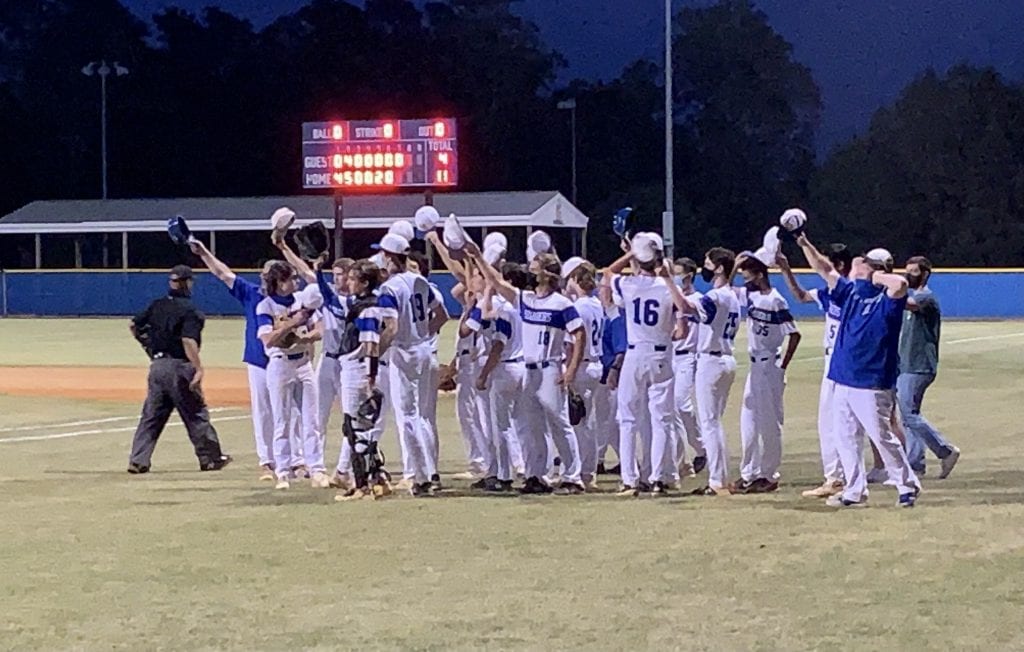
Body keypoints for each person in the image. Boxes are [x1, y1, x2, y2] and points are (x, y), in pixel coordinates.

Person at [796, 236, 921, 508]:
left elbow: (900, 283)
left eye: (862, 265)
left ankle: (907, 485)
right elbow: (823, 268)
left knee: (881, 435)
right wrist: (802, 241)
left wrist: (875, 275)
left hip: (872, 380)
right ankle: (855, 491)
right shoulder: (850, 292)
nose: (855, 268)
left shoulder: (888, 297)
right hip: (842, 376)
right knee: (845, 437)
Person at [470, 245, 587, 495]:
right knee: (533, 426)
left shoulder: (561, 303)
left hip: (550, 368)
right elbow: (496, 281)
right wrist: (478, 256)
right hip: (529, 370)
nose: (530, 270)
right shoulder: (527, 299)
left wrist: (571, 369)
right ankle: (537, 475)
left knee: (560, 423)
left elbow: (579, 334)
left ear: (546, 273)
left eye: (535, 266)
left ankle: (573, 476)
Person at [604, 233, 691, 495]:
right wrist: (665, 275)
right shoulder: (667, 286)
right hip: (662, 354)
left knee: (628, 420)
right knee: (661, 420)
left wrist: (630, 252)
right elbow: (683, 318)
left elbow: (608, 273)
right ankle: (656, 477)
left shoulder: (628, 285)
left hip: (634, 354)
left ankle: (629, 479)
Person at [127, 265, 231, 473]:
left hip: (157, 366)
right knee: (195, 413)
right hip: (180, 366)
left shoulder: (157, 305)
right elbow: (188, 340)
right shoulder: (191, 311)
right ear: (187, 283)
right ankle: (210, 458)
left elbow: (133, 325)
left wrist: (148, 346)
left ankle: (138, 460)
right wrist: (198, 368)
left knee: (151, 416)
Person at [189, 240, 277, 480]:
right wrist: (204, 252)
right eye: (264, 274)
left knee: (292, 412)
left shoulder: (292, 297)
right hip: (258, 360)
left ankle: (294, 460)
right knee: (263, 412)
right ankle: (267, 461)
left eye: (269, 275)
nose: (264, 278)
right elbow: (222, 273)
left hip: (287, 362)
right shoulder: (252, 293)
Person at [376, 233, 448, 496]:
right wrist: (423, 335)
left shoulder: (390, 288)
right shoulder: (420, 281)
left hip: (404, 354)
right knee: (424, 418)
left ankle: (421, 477)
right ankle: (431, 473)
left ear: (390, 256)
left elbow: (391, 328)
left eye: (384, 254)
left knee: (408, 418)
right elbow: (442, 316)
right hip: (425, 351)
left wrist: (374, 354)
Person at [777, 245, 850, 497]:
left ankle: (837, 478)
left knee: (834, 422)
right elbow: (800, 296)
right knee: (837, 422)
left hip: (842, 363)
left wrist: (801, 239)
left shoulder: (846, 291)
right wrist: (786, 270)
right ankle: (841, 477)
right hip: (834, 361)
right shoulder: (829, 293)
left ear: (839, 266)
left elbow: (823, 268)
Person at [731, 254, 801, 493]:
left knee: (769, 423)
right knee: (748, 419)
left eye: (747, 274)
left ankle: (768, 474)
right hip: (754, 365)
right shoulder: (750, 295)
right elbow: (727, 291)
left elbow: (794, 334)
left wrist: (782, 366)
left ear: (759, 275)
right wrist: (736, 265)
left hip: (770, 362)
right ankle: (749, 473)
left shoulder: (776, 300)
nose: (744, 279)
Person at [256, 262, 327, 490]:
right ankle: (283, 471)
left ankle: (316, 468)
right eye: (291, 279)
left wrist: (305, 337)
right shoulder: (265, 306)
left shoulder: (302, 300)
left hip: (304, 363)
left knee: (311, 419)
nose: (296, 283)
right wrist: (291, 326)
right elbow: (268, 340)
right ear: (279, 282)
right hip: (279, 364)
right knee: (282, 421)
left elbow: (320, 329)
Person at [333, 259, 391, 501]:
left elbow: (371, 345)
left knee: (355, 429)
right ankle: (378, 479)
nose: (348, 282)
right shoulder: (364, 303)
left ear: (365, 282)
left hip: (357, 371)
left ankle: (361, 486)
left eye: (353, 278)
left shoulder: (368, 308)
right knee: (361, 429)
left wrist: (370, 377)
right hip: (357, 370)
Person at [898, 255, 961, 478]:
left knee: (909, 413)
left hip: (919, 364)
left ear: (924, 273)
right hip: (906, 363)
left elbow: (908, 304)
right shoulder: (914, 295)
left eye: (913, 271)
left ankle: (945, 451)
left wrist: (881, 289)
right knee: (908, 417)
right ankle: (915, 464)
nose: (908, 275)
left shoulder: (926, 298)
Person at [686, 247, 741, 496]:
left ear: (719, 268)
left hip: (711, 360)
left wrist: (667, 281)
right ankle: (720, 478)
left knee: (709, 423)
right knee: (714, 423)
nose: (704, 267)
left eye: (708, 263)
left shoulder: (717, 296)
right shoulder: (732, 296)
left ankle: (717, 480)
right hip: (726, 358)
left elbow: (687, 307)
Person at [561, 257, 608, 490]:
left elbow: (574, 343)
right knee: (587, 420)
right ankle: (588, 471)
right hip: (594, 363)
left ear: (576, 279)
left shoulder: (578, 307)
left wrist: (568, 370)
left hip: (582, 365)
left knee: (577, 422)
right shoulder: (596, 303)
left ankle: (581, 472)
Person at [671, 258, 704, 480]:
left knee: (681, 404)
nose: (675, 277)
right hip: (668, 355)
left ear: (689, 275)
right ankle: (681, 461)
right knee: (669, 409)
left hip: (688, 356)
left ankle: (701, 448)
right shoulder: (669, 297)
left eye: (679, 273)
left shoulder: (698, 299)